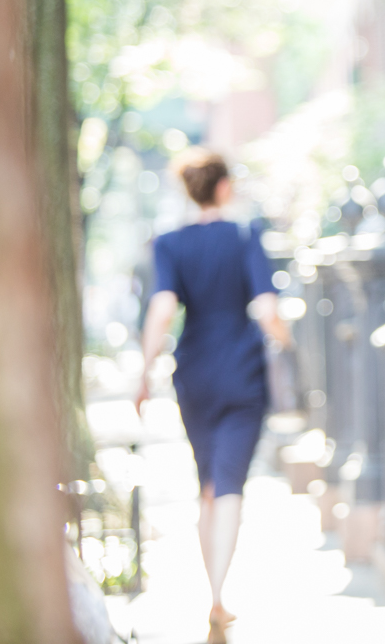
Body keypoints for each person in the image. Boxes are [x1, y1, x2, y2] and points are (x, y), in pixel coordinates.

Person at [135, 148, 290, 644]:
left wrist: (143, 373)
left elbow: (162, 309)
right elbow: (267, 307)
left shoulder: (170, 243)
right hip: (242, 373)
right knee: (229, 489)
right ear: (223, 187)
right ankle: (219, 597)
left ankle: (214, 595)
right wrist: (289, 342)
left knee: (207, 485)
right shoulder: (244, 235)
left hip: (195, 373)